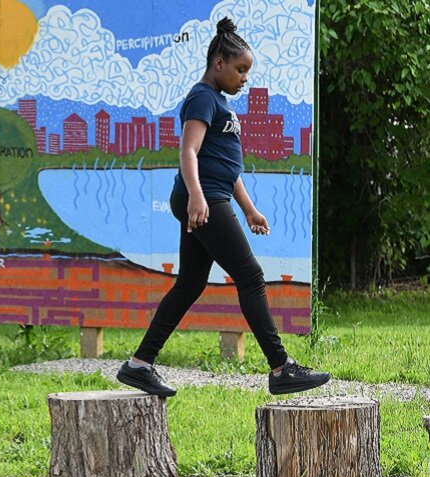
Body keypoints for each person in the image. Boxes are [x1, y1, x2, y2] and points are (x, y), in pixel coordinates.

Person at [117, 17, 330, 397]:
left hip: (211, 195)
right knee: (250, 276)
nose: (244, 78)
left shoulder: (219, 103)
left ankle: (139, 364)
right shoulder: (202, 97)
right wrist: (197, 196)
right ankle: (281, 368)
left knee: (190, 283)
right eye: (240, 70)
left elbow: (227, 168)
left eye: (247, 71)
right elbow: (188, 151)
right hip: (205, 199)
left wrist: (249, 209)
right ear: (219, 64)